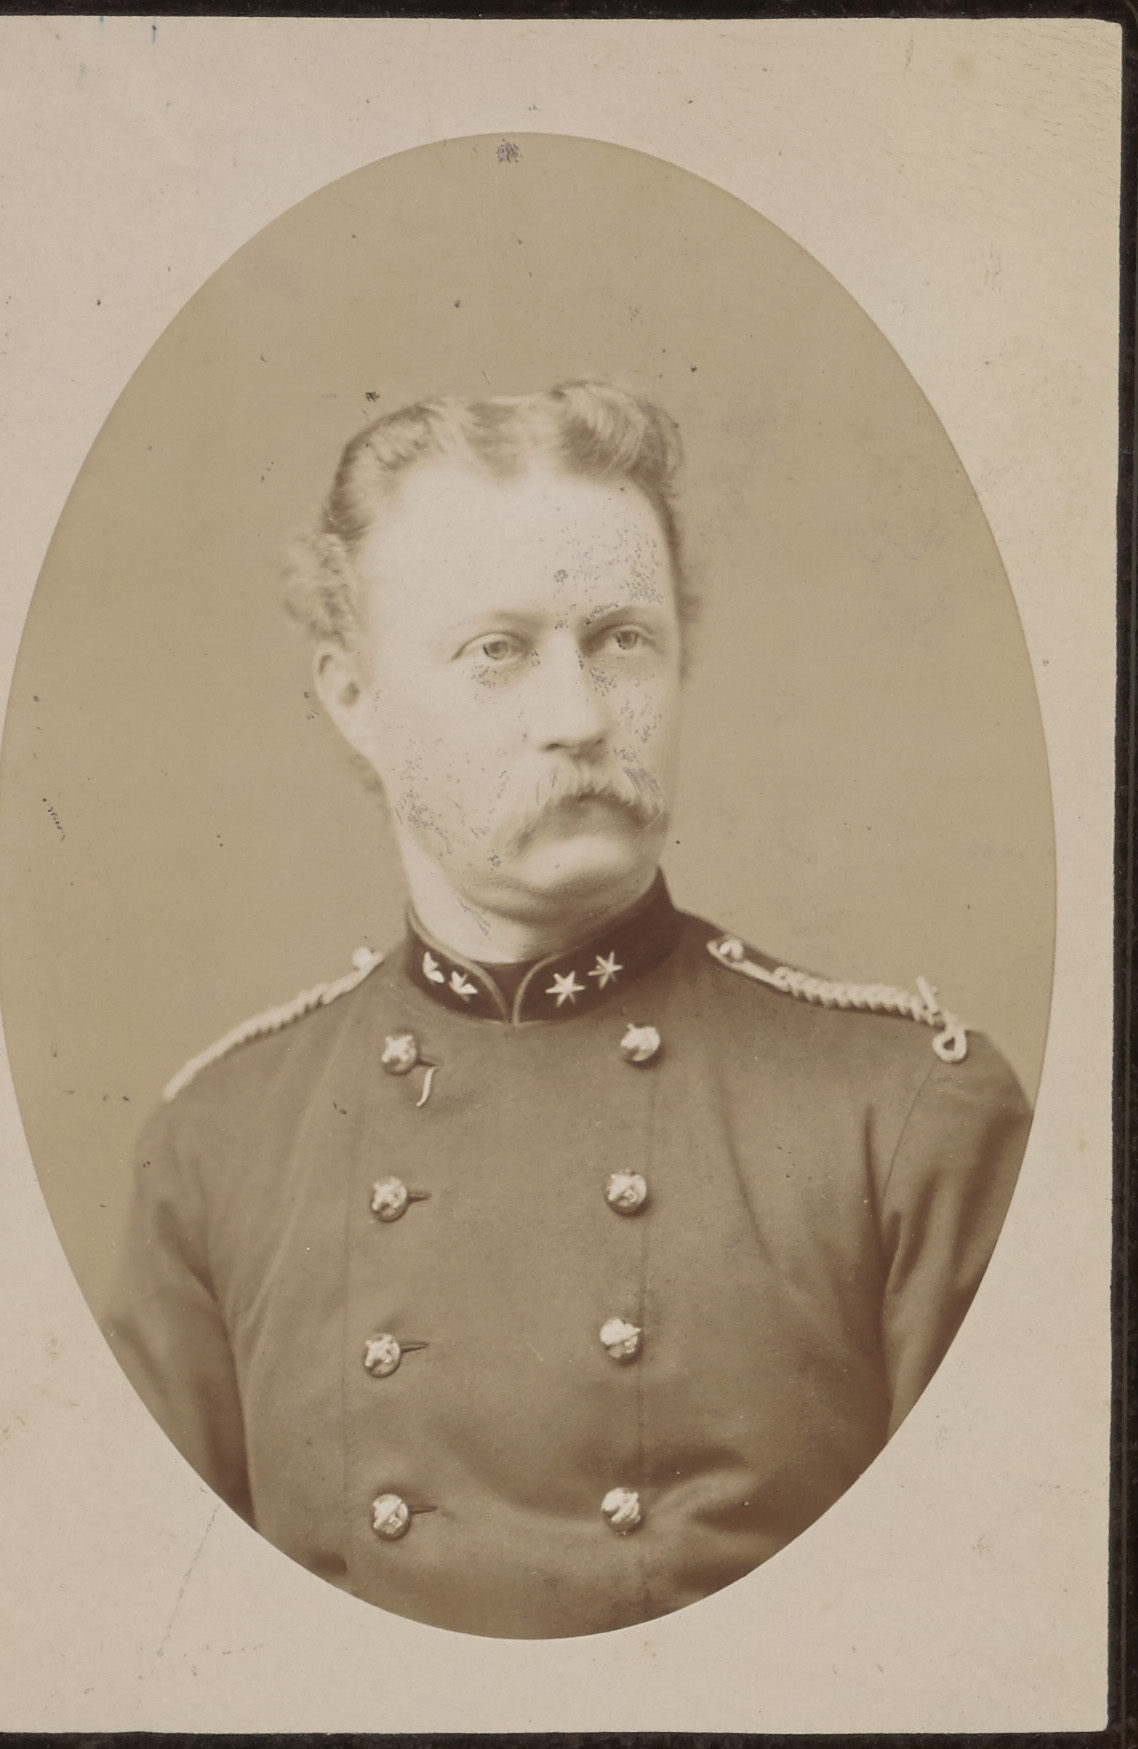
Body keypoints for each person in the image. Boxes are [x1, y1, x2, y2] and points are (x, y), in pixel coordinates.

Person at [104, 381, 1031, 1640]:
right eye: (498, 651)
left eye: (622, 640)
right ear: (352, 697)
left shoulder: (909, 1116)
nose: (581, 718)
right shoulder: (219, 1146)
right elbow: (156, 1648)